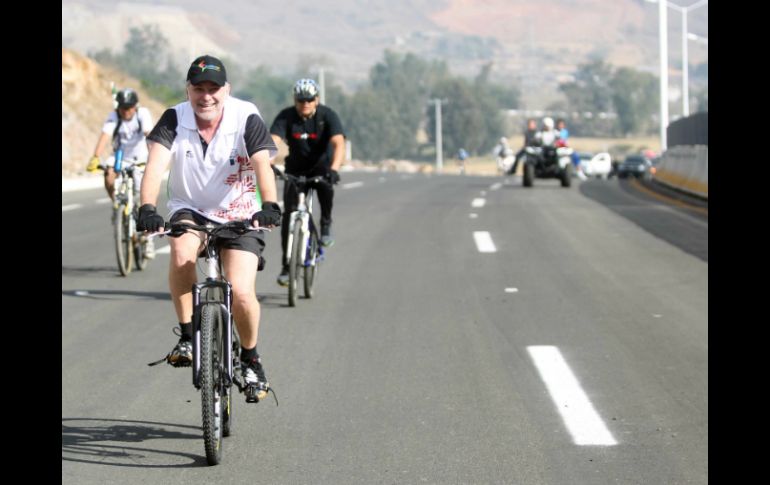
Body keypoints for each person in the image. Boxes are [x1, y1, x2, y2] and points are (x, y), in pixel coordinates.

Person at [137, 55, 281, 402]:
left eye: (213, 88)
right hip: (191, 209)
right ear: (188, 90)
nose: (206, 96)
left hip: (241, 212)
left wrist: (270, 205)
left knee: (241, 290)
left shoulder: (245, 115)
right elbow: (155, 165)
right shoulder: (175, 117)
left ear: (226, 90)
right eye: (198, 88)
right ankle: (188, 336)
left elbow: (262, 161)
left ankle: (251, 359)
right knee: (180, 250)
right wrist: (146, 208)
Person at [269, 78, 346, 287]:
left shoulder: (327, 115)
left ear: (317, 99)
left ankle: (326, 223)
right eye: (301, 100)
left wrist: (334, 169)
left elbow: (338, 143)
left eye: (309, 100)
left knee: (326, 187)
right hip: (295, 169)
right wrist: (267, 162)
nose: (305, 104)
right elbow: (273, 141)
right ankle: (287, 265)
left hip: (322, 168)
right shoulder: (286, 116)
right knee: (288, 217)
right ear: (295, 100)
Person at [86, 87, 156, 257]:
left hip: (140, 158)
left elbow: (149, 135)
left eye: (129, 107)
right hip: (120, 157)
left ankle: (148, 241)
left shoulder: (142, 114)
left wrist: (154, 157)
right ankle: (117, 203)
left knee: (142, 200)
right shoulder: (114, 116)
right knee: (108, 176)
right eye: (123, 107)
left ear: (135, 106)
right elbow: (105, 135)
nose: (126, 111)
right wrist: (95, 157)